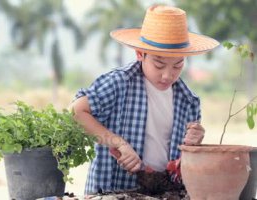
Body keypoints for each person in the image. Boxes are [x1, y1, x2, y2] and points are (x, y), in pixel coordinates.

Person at [71, 5, 219, 194]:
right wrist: (118, 143)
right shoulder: (119, 83)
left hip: (166, 191)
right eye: (159, 64)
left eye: (177, 65)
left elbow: (185, 161)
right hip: (113, 190)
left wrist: (195, 143)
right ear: (140, 54)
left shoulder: (189, 101)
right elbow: (76, 113)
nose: (167, 75)